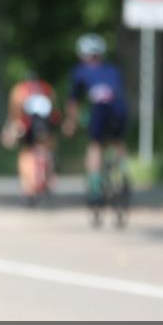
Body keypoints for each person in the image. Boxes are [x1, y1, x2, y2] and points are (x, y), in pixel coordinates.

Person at [62, 33, 129, 204]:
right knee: (117, 140)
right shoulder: (112, 69)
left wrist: (71, 122)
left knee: (95, 145)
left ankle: (95, 187)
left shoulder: (80, 71)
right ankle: (122, 172)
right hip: (119, 108)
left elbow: (74, 101)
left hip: (99, 109)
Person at [0, 74, 59, 203]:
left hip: (27, 123)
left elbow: (14, 112)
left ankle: (27, 186)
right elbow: (54, 110)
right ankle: (49, 175)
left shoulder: (19, 89)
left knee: (26, 151)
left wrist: (9, 129)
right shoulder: (47, 88)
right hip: (45, 124)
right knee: (46, 148)